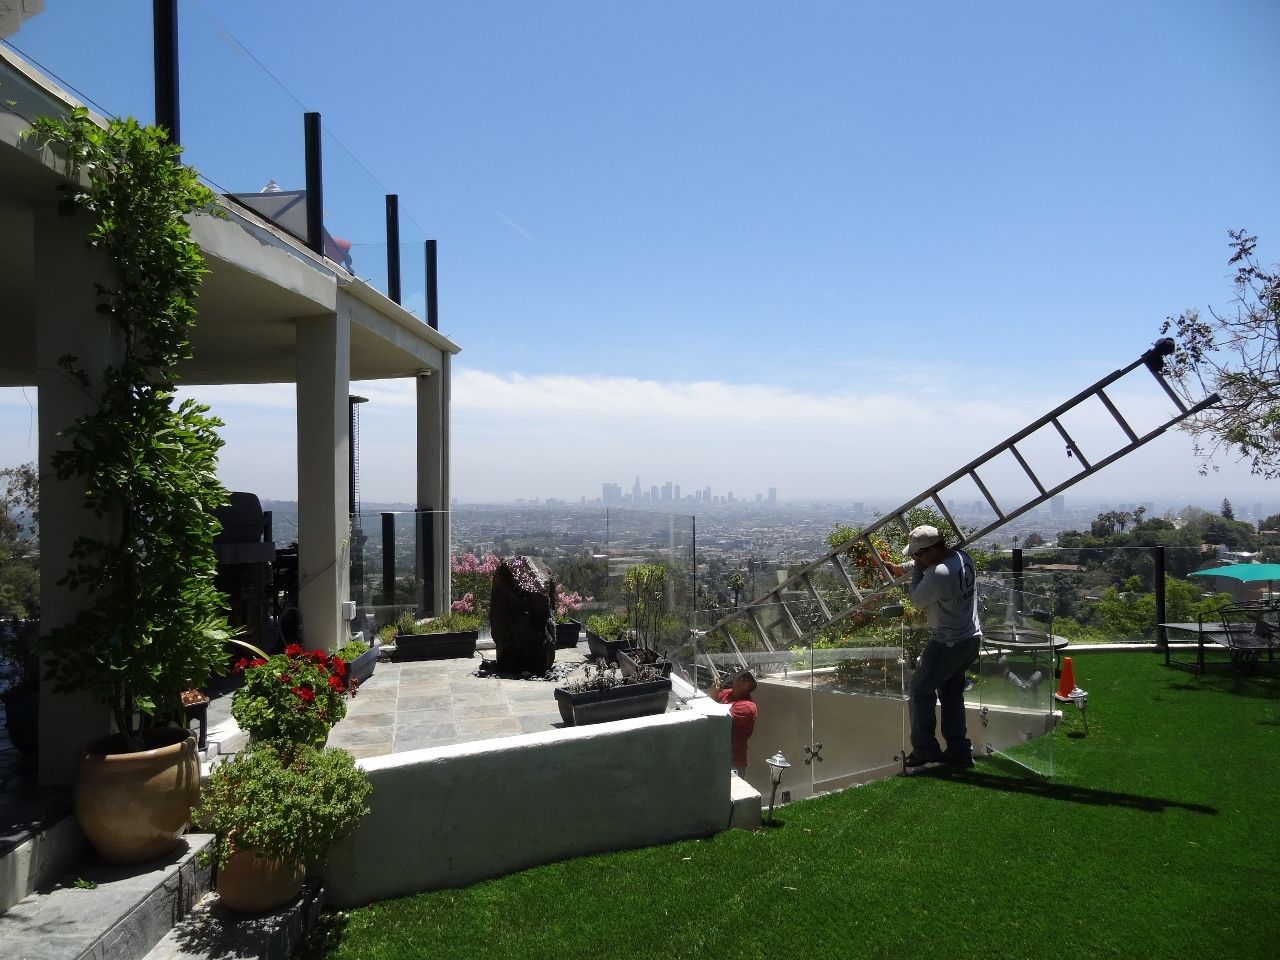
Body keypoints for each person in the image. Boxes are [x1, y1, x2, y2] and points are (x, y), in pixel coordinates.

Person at [885, 525, 981, 769]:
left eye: (918, 554)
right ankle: (959, 750)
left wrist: (915, 568)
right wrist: (902, 568)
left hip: (947, 643)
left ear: (932, 550)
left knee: (919, 692)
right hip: (970, 638)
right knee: (950, 693)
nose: (915, 560)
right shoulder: (962, 557)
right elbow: (927, 566)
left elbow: (916, 599)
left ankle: (925, 749)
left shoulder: (938, 574)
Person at [709, 669, 757, 777]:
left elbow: (719, 721)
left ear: (750, 686)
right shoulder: (727, 693)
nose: (742, 680)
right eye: (741, 676)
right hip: (717, 756)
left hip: (732, 764)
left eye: (747, 679)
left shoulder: (747, 706)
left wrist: (712, 697)